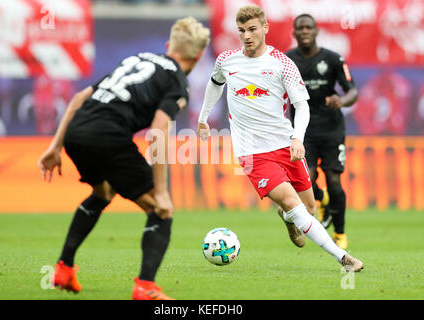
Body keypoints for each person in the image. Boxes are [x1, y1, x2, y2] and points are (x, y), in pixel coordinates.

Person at [38, 16, 210, 300]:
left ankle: (64, 268)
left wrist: (55, 147)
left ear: (169, 45)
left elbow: (80, 97)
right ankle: (146, 287)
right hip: (108, 135)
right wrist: (163, 193)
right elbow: (157, 133)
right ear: (199, 55)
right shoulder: (177, 81)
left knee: (104, 190)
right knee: (160, 209)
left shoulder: (138, 58)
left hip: (77, 131)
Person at [197, 5, 363, 272]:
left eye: (252, 29)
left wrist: (297, 139)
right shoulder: (226, 59)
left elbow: (303, 106)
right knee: (291, 202)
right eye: (242, 31)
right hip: (252, 153)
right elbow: (215, 84)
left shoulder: (282, 63)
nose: (247, 35)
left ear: (265, 28)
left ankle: (288, 218)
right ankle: (343, 258)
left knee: (307, 210)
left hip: (285, 145)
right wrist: (203, 118)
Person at [286, 14, 358, 250]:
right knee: (307, 180)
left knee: (335, 181)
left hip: (331, 129)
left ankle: (340, 232)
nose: (304, 31)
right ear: (295, 33)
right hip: (302, 130)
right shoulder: (287, 61)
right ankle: (322, 199)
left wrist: (342, 100)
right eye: (300, 28)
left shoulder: (333, 59)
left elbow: (352, 91)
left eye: (308, 27)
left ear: (316, 31)